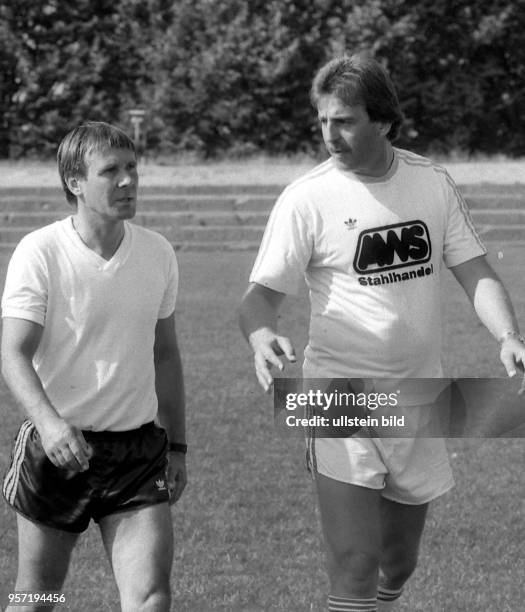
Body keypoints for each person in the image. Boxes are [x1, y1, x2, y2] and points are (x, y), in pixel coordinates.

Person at [239, 54, 525, 612]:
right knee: (354, 564)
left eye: (344, 120)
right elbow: (257, 300)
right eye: (322, 121)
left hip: (419, 395)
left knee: (398, 562)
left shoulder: (431, 183)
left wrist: (508, 335)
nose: (330, 135)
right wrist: (260, 336)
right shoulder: (306, 198)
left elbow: (475, 271)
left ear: (384, 121)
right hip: (336, 394)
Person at [1, 121, 187, 612]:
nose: (128, 181)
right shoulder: (40, 252)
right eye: (111, 172)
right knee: (37, 596)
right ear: (75, 183)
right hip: (58, 451)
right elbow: (12, 352)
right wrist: (50, 425)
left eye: (132, 169)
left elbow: (165, 354)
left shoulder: (157, 252)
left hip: (138, 452)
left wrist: (179, 444)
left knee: (150, 596)